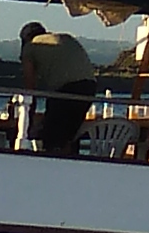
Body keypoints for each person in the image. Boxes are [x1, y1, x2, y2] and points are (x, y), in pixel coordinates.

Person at [18, 20, 97, 159]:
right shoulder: (66, 37)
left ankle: (53, 167)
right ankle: (71, 161)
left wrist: (28, 119)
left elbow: (29, 89)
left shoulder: (30, 46)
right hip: (89, 87)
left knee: (52, 137)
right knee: (69, 134)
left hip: (65, 90)